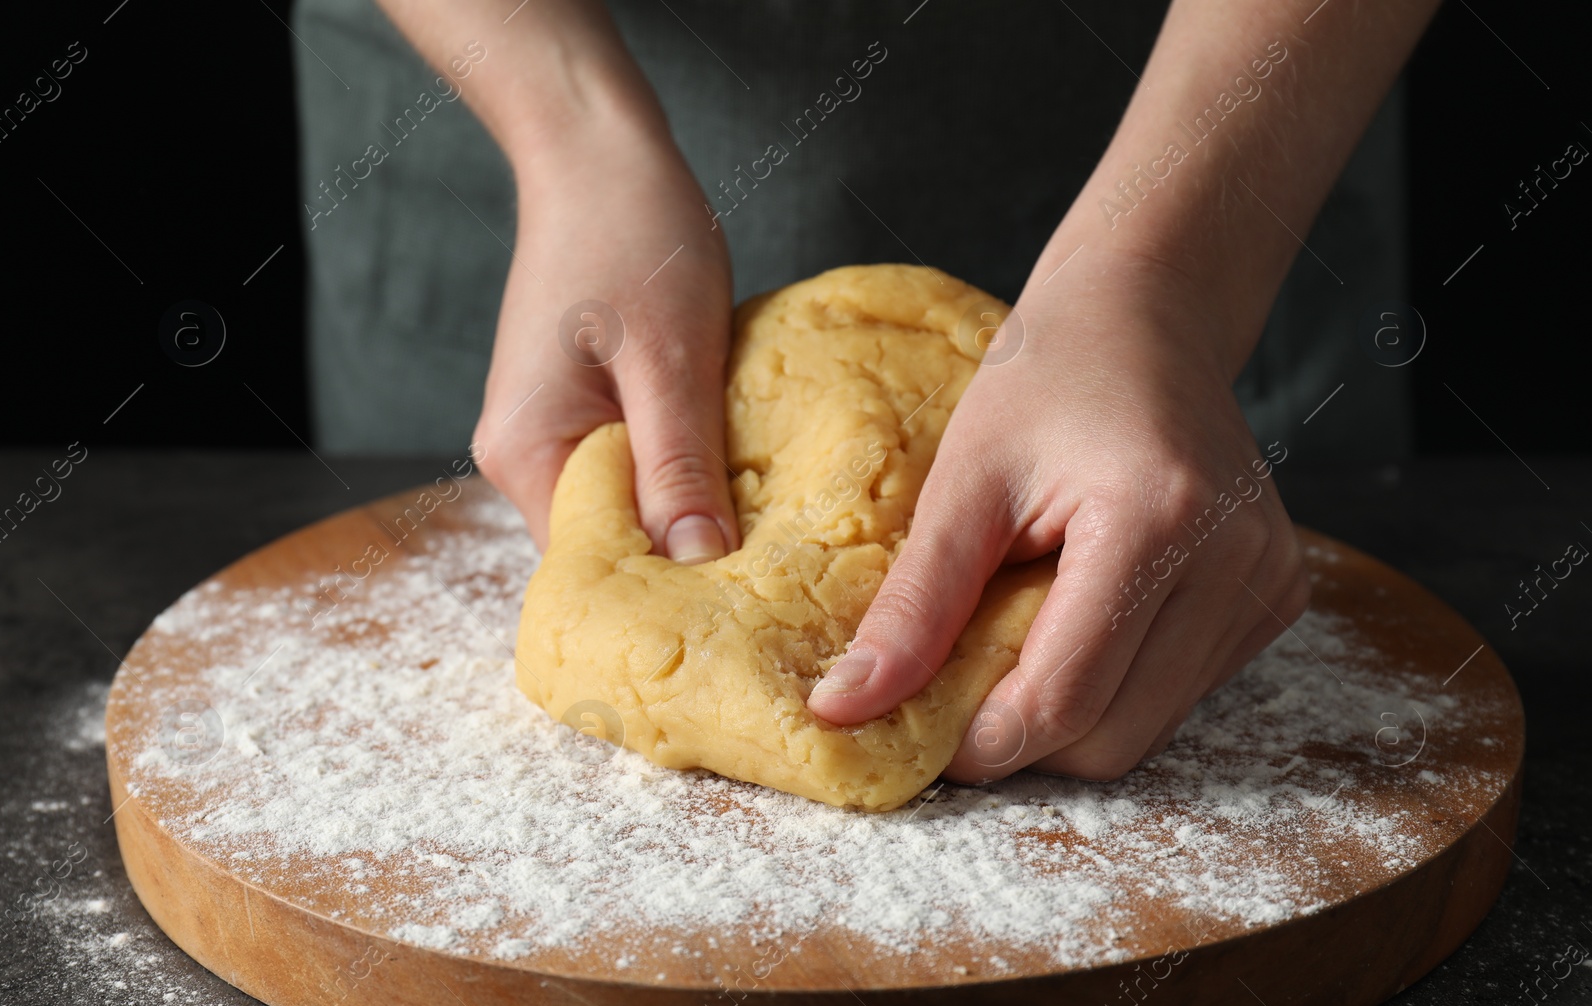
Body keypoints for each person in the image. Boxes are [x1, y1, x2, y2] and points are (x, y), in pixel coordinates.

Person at [293, 0, 1437, 785]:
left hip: (1208, 99)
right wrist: (570, 133)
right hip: (497, 74)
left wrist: (1167, 278)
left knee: (1153, 605)